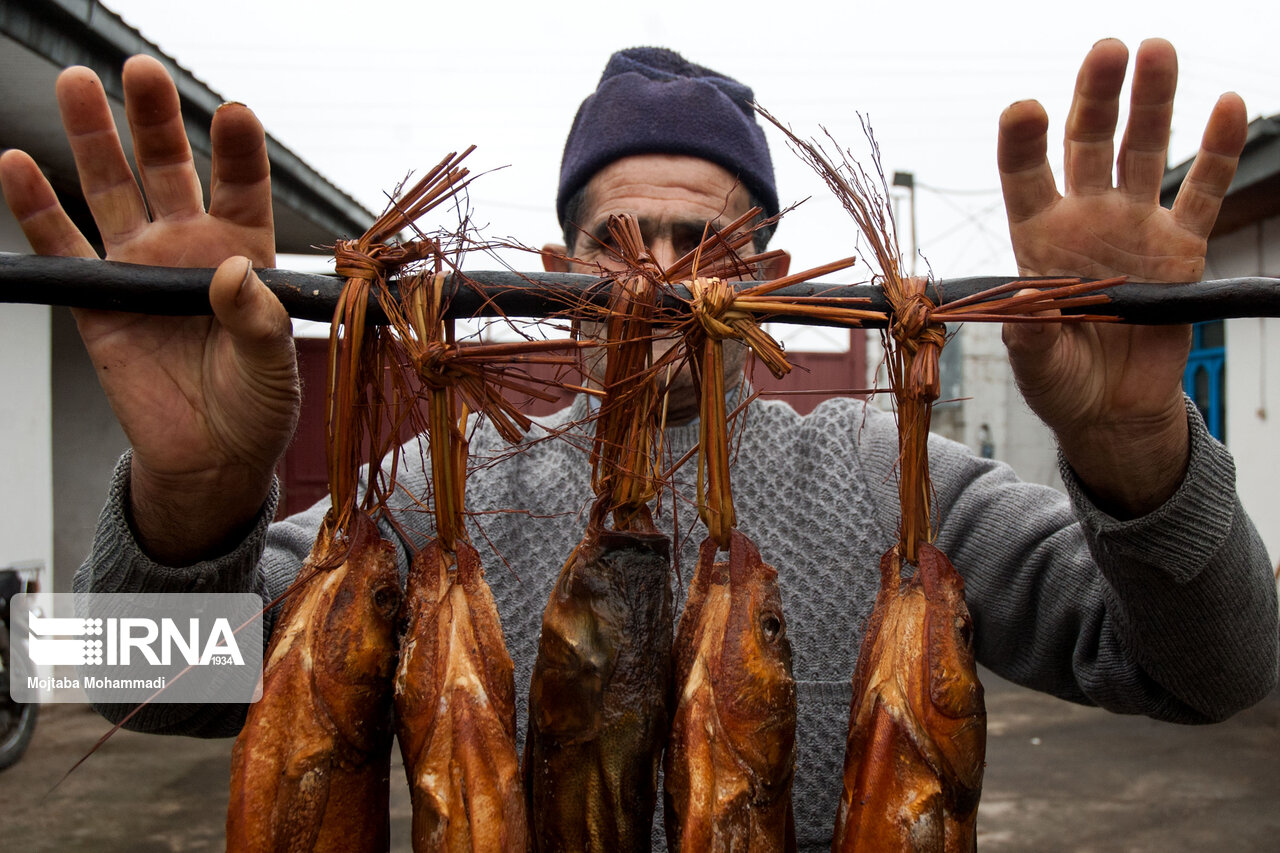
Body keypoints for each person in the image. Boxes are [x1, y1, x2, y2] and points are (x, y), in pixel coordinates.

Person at [2, 40, 1276, 849]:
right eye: (618, 240)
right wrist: (189, 497)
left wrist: (1139, 447)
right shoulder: (421, 499)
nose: (656, 277)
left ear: (771, 277)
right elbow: (117, 674)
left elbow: (1215, 667)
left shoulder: (899, 495)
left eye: (698, 237)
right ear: (560, 272)